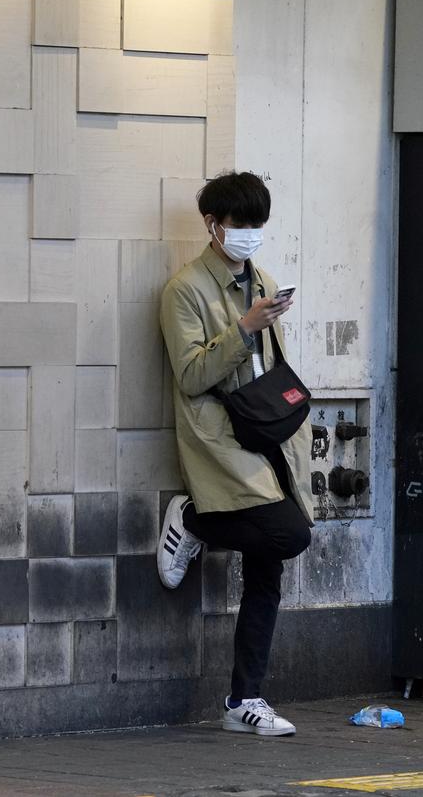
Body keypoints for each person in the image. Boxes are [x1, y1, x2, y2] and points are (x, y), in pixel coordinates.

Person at [156, 171, 314, 737]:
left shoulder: (262, 279)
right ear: (213, 225)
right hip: (222, 436)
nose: (250, 234)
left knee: (268, 569)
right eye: (239, 224)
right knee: (288, 534)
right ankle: (193, 519)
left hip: (267, 432)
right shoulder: (184, 290)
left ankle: (245, 699)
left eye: (257, 224)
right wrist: (244, 329)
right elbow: (192, 375)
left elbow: (271, 365)